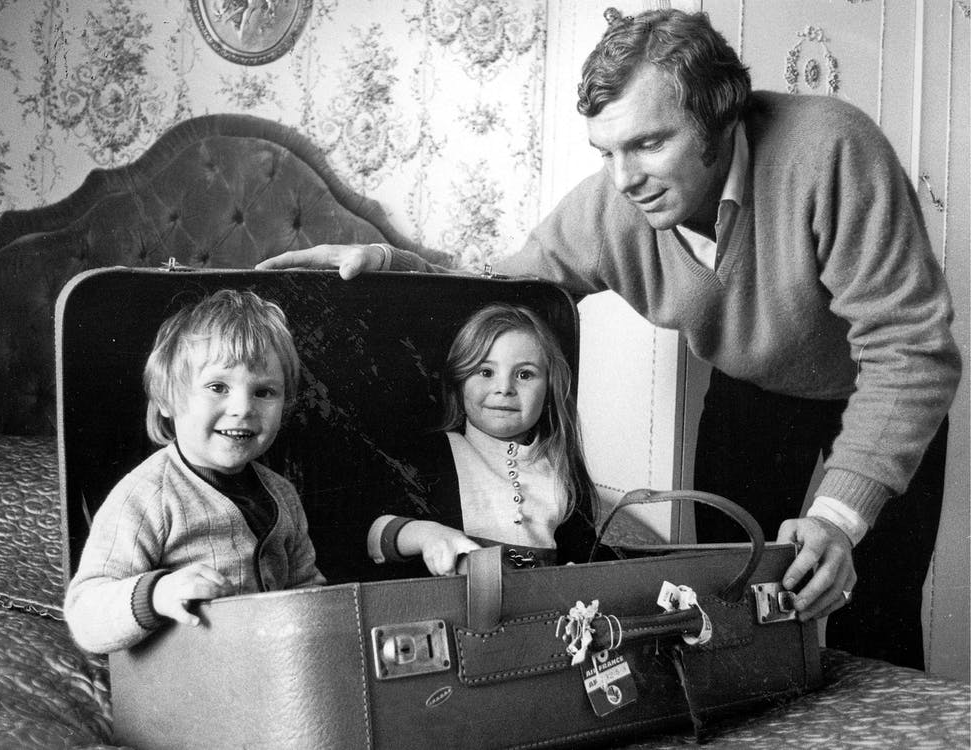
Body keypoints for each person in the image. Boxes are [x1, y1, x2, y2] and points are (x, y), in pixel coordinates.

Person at [256, 8, 959, 669]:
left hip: (880, 392)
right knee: (729, 615)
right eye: (607, 151)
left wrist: (837, 518)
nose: (625, 180)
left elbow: (911, 350)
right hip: (748, 391)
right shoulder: (610, 205)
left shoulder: (833, 148)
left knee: (878, 619)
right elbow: (501, 294)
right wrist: (387, 266)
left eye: (650, 143)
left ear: (721, 114)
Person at [64, 289, 325, 654]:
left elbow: (307, 593)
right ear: (168, 399)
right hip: (189, 684)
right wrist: (157, 594)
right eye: (218, 387)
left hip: (273, 674)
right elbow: (84, 613)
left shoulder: (283, 494)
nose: (242, 408)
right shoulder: (146, 496)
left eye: (264, 392)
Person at [367, 303, 599, 575]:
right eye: (486, 372)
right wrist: (425, 534)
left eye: (525, 374)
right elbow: (375, 535)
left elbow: (584, 558)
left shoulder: (562, 466)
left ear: (549, 388)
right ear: (459, 381)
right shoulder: (432, 454)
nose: (504, 389)